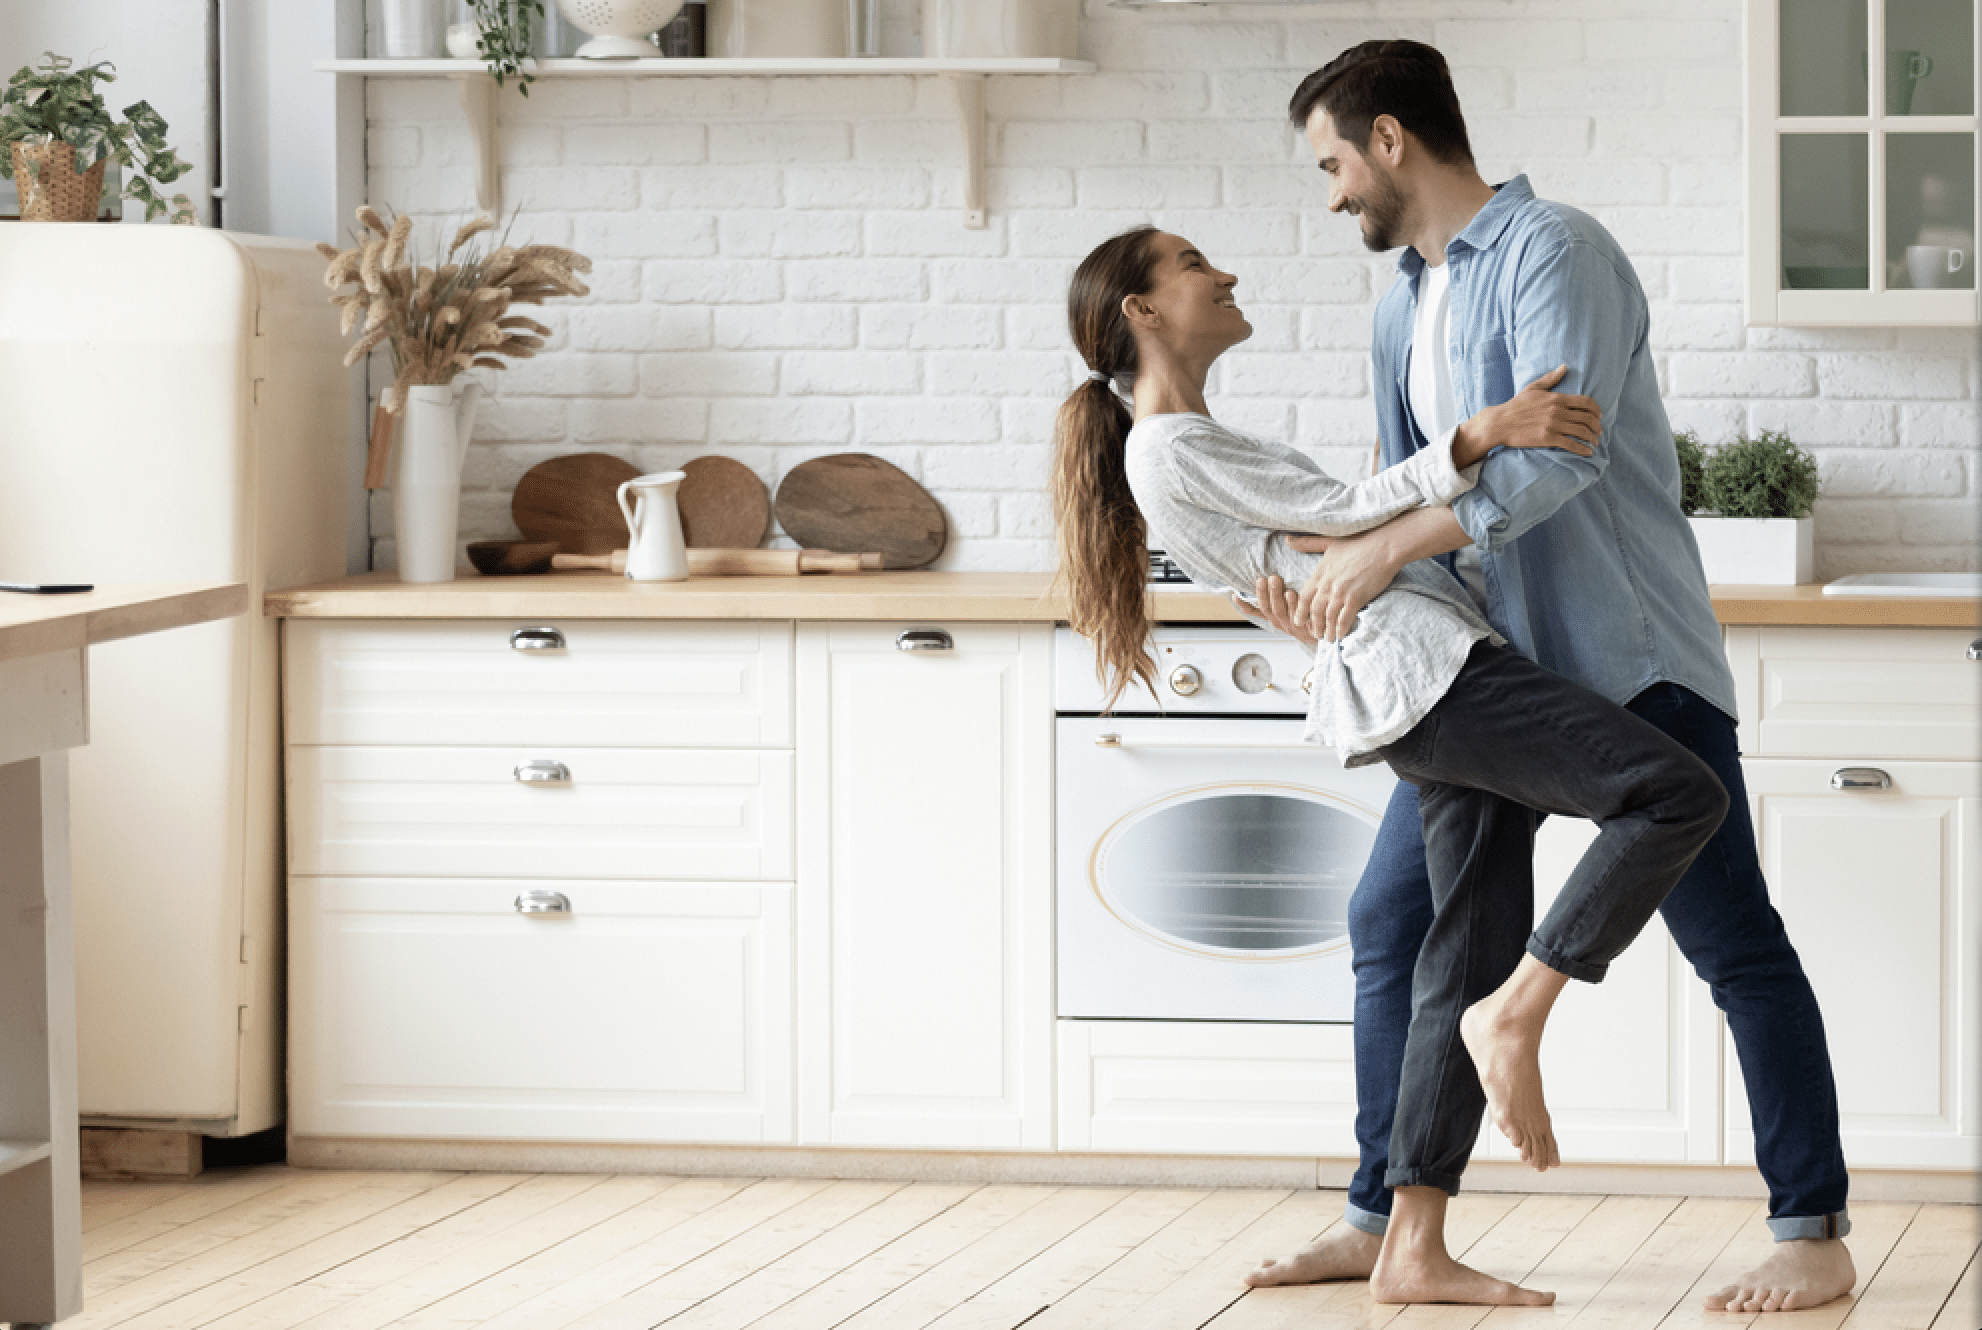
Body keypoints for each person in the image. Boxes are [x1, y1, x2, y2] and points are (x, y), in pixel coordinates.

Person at [1241, 40, 1857, 1316]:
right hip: (1484, 680)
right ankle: (1380, 1217)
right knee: (1388, 925)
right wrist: (1343, 576)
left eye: (1331, 162)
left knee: (1732, 943)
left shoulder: (1550, 251)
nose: (1330, 193)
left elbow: (1550, 468)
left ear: (1391, 138)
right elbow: (1396, 478)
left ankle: (1810, 1227)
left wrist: (1375, 554)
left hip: (1625, 660)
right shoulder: (1398, 303)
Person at [1051, 224, 1729, 1308]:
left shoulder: (1184, 442)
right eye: (1189, 263)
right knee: (1673, 790)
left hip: (1429, 670)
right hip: (1434, 679)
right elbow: (1332, 520)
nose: (1223, 271)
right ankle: (1521, 1010)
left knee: (1456, 950)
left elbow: (1318, 539)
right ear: (1138, 309)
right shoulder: (1162, 444)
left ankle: (1408, 1240)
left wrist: (1350, 534)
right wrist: (1482, 429)